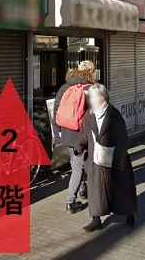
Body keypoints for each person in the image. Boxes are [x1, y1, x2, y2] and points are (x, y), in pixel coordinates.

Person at [74, 83, 138, 232]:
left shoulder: (114, 115)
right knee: (96, 190)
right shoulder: (89, 115)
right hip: (95, 160)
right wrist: (79, 146)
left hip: (114, 159)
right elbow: (84, 133)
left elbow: (123, 139)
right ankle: (96, 220)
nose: (89, 100)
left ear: (101, 98)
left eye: (92, 97)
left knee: (121, 189)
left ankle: (129, 213)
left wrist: (117, 160)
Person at [54, 62, 95, 214]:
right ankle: (70, 202)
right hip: (83, 134)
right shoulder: (90, 89)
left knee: (77, 162)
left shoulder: (65, 87)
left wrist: (57, 133)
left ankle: (83, 190)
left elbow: (56, 111)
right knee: (78, 167)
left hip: (67, 133)